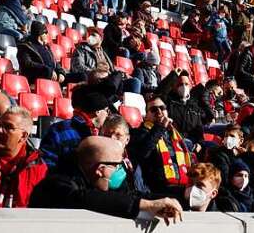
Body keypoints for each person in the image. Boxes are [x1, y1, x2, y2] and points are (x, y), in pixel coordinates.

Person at [30, 136, 184, 223]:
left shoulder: (93, 180)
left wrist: (174, 198)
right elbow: (81, 199)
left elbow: (131, 197)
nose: (120, 170)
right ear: (100, 169)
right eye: (117, 165)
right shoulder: (56, 184)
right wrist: (146, 205)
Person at [128, 95, 194, 202]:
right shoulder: (140, 132)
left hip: (181, 183)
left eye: (162, 108)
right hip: (158, 187)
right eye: (154, 110)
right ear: (146, 116)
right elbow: (143, 153)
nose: (159, 111)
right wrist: (160, 128)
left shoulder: (173, 133)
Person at [39, 85, 111, 169]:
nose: (108, 115)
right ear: (98, 112)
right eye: (106, 111)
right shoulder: (59, 129)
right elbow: (46, 163)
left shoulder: (100, 133)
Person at [18, 20, 68, 85]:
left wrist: (61, 72)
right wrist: (48, 70)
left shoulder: (46, 47)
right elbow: (27, 63)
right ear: (40, 34)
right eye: (45, 32)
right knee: (47, 73)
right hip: (39, 77)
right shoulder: (26, 46)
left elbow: (55, 62)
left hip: (54, 76)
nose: (47, 34)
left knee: (81, 76)